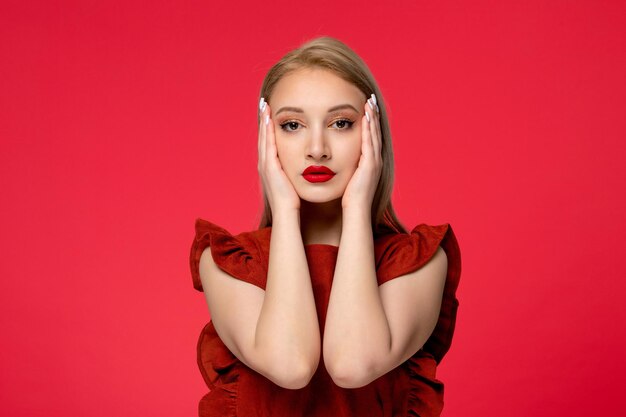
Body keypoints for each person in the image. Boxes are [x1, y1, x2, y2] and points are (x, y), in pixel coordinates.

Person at [189, 36, 462, 417]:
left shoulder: (418, 262)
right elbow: (291, 365)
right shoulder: (230, 263)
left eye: (341, 123)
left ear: (373, 134)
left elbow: (352, 364)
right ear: (267, 139)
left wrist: (355, 209)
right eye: (292, 125)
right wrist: (284, 208)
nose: (317, 148)